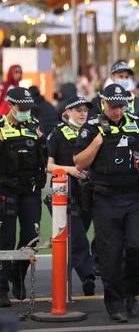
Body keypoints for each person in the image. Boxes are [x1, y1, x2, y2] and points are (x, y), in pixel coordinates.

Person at [74, 83, 139, 322]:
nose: (118, 111)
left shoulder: (137, 125)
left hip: (133, 197)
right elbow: (79, 163)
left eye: (122, 106)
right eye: (113, 106)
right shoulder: (90, 128)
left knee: (138, 245)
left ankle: (131, 292)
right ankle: (116, 303)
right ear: (103, 103)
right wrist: (97, 142)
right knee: (110, 254)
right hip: (105, 199)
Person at [0, 87, 46, 306]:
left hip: (30, 191)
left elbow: (42, 157)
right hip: (5, 191)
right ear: (10, 105)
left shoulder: (34, 127)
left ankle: (18, 274)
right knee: (5, 239)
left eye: (28, 108)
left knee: (31, 237)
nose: (26, 112)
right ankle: (1, 287)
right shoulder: (0, 128)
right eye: (22, 108)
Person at [46, 95, 95, 296]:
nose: (83, 113)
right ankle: (88, 277)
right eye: (78, 110)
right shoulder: (57, 134)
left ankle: (67, 282)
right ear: (67, 112)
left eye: (85, 110)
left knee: (77, 240)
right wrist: (69, 170)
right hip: (66, 194)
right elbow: (48, 165)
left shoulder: (92, 132)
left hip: (90, 194)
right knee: (78, 239)